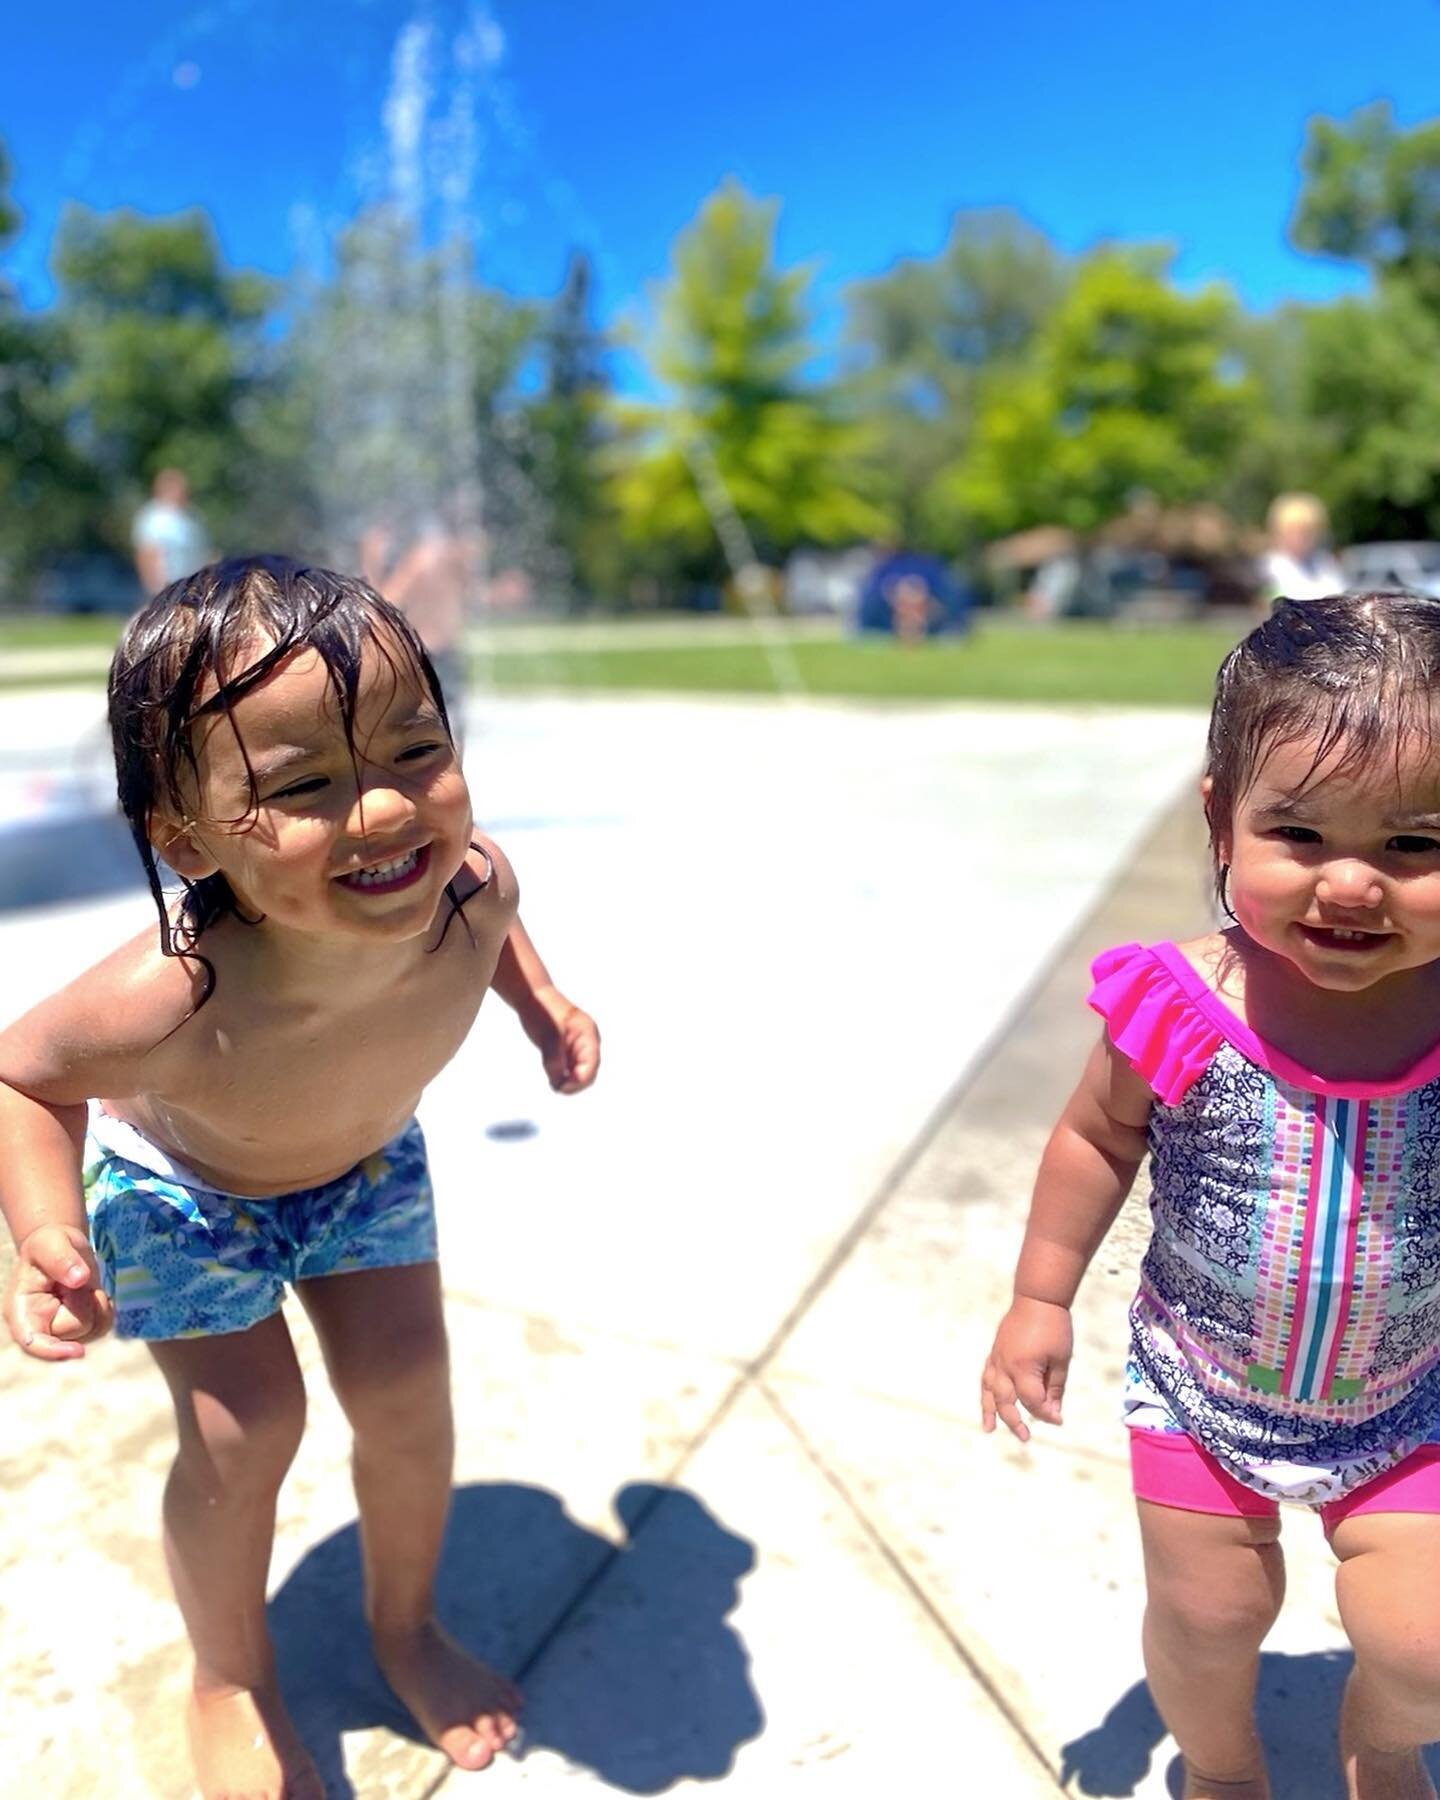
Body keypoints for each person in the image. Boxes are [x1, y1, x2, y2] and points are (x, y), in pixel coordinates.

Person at [0, 556, 600, 1800]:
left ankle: (406, 1628)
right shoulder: (173, 992)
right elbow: (19, 1077)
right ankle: (228, 1677)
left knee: (406, 1396)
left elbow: (493, 917)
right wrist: (47, 1231)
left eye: (413, 749)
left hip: (365, 1165)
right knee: (244, 1430)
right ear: (186, 836)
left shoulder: (472, 882)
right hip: (183, 1195)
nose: (385, 814)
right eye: (306, 787)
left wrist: (541, 1005)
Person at [982, 591, 1440, 1800]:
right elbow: (1094, 1135)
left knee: (1428, 1642)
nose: (1353, 886)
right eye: (1300, 833)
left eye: (1414, 845)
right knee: (1209, 1614)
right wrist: (1040, 1296)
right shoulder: (1183, 1007)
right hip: (1205, 1384)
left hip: (1406, 1399)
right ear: (1220, 821)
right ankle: (1223, 1768)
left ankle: (1383, 1742)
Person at [360, 509, 475, 738]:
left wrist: (370, 561)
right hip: (450, 651)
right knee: (453, 726)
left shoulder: (418, 561)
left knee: (424, 729)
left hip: (426, 654)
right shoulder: (453, 559)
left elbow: (384, 604)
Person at [132, 467, 214, 597]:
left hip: (193, 586)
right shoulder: (153, 517)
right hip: (165, 587)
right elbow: (147, 552)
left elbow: (203, 551)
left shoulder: (192, 516)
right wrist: (154, 585)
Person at [1260, 492, 1345, 609]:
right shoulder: (1266, 571)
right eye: (1293, 530)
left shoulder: (1325, 565)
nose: (1300, 537)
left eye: (1307, 531)